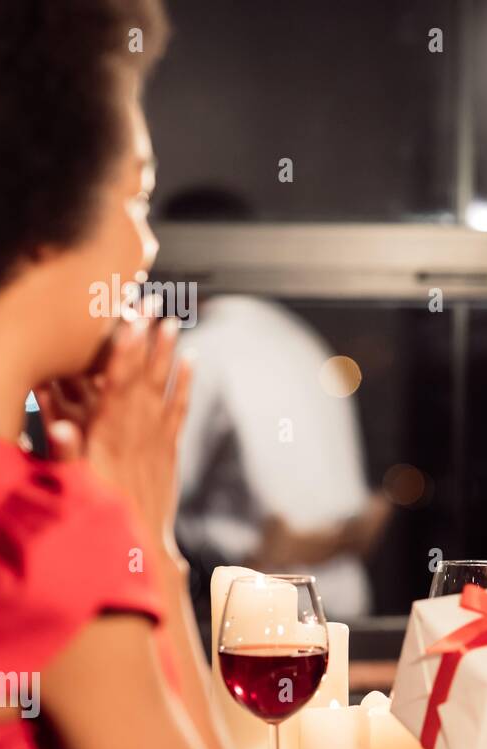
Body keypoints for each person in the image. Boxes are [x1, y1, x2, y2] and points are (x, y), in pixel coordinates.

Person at [0, 0, 269, 749]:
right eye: (138, 196)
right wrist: (141, 541)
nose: (146, 247)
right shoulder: (33, 534)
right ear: (42, 215)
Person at [159, 187, 390, 626]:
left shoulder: (197, 352)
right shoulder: (302, 340)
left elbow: (153, 497)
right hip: (345, 613)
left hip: (254, 616)